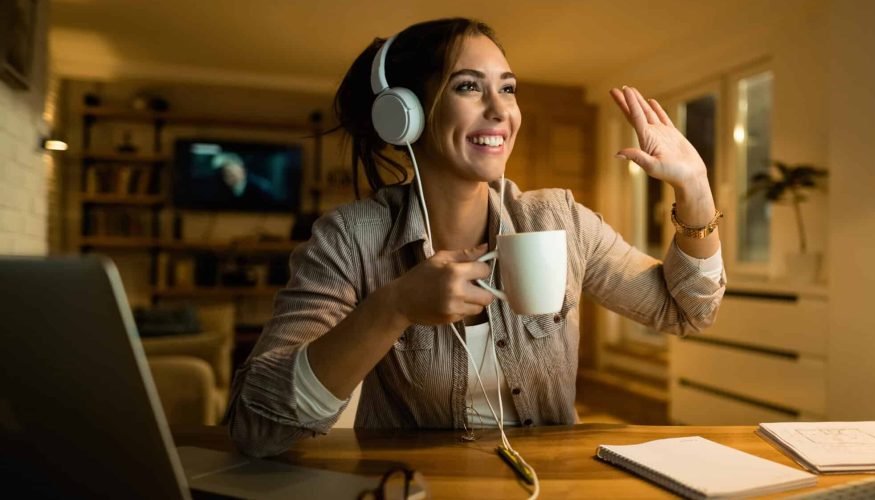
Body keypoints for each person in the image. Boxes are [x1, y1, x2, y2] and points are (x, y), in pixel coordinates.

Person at [225, 18, 726, 458]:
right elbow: (257, 428)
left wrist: (696, 187)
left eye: (507, 88)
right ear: (405, 115)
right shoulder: (348, 240)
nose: (500, 110)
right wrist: (392, 308)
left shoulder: (560, 219)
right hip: (413, 485)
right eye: (468, 87)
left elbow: (687, 311)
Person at [210, 152, 279, 207]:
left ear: (242, 169)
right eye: (223, 171)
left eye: (229, 170)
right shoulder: (222, 190)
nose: (226, 174)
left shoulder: (261, 189)